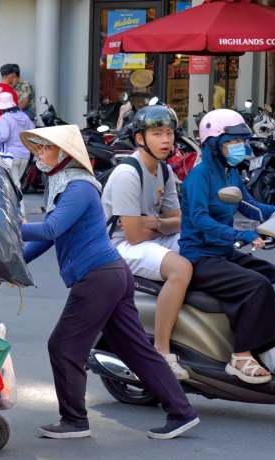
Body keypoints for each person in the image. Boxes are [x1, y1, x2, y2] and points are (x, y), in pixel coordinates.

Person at [19, 125, 200, 440]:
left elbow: (49, 229)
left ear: (63, 154)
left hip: (98, 277)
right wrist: (14, 263)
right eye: (37, 148)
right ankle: (181, 412)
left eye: (44, 148)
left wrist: (11, 225)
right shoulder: (64, 185)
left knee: (63, 346)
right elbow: (49, 239)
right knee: (135, 349)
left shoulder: (78, 188)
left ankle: (74, 420)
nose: (39, 154)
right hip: (110, 275)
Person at [179, 109, 275, 384]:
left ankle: (268, 347)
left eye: (241, 141)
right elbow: (199, 219)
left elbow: (250, 206)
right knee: (256, 285)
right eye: (232, 141)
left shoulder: (230, 174)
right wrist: (240, 236)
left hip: (223, 253)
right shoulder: (200, 176)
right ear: (213, 143)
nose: (239, 146)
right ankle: (240, 356)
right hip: (200, 257)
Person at [101, 105, 191, 380]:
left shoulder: (163, 171)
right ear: (140, 138)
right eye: (157, 133)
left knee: (196, 245)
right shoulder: (128, 173)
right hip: (118, 247)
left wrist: (156, 223)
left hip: (149, 236)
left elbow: (178, 220)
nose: (166, 140)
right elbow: (133, 235)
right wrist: (157, 224)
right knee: (181, 269)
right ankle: (162, 351)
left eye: (169, 133)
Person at [0, 92, 33, 189]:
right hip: (25, 155)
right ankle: (15, 203)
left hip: (10, 156)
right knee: (15, 182)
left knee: (12, 185)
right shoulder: (24, 116)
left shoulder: (5, 117)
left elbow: (4, 136)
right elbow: (32, 132)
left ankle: (18, 204)